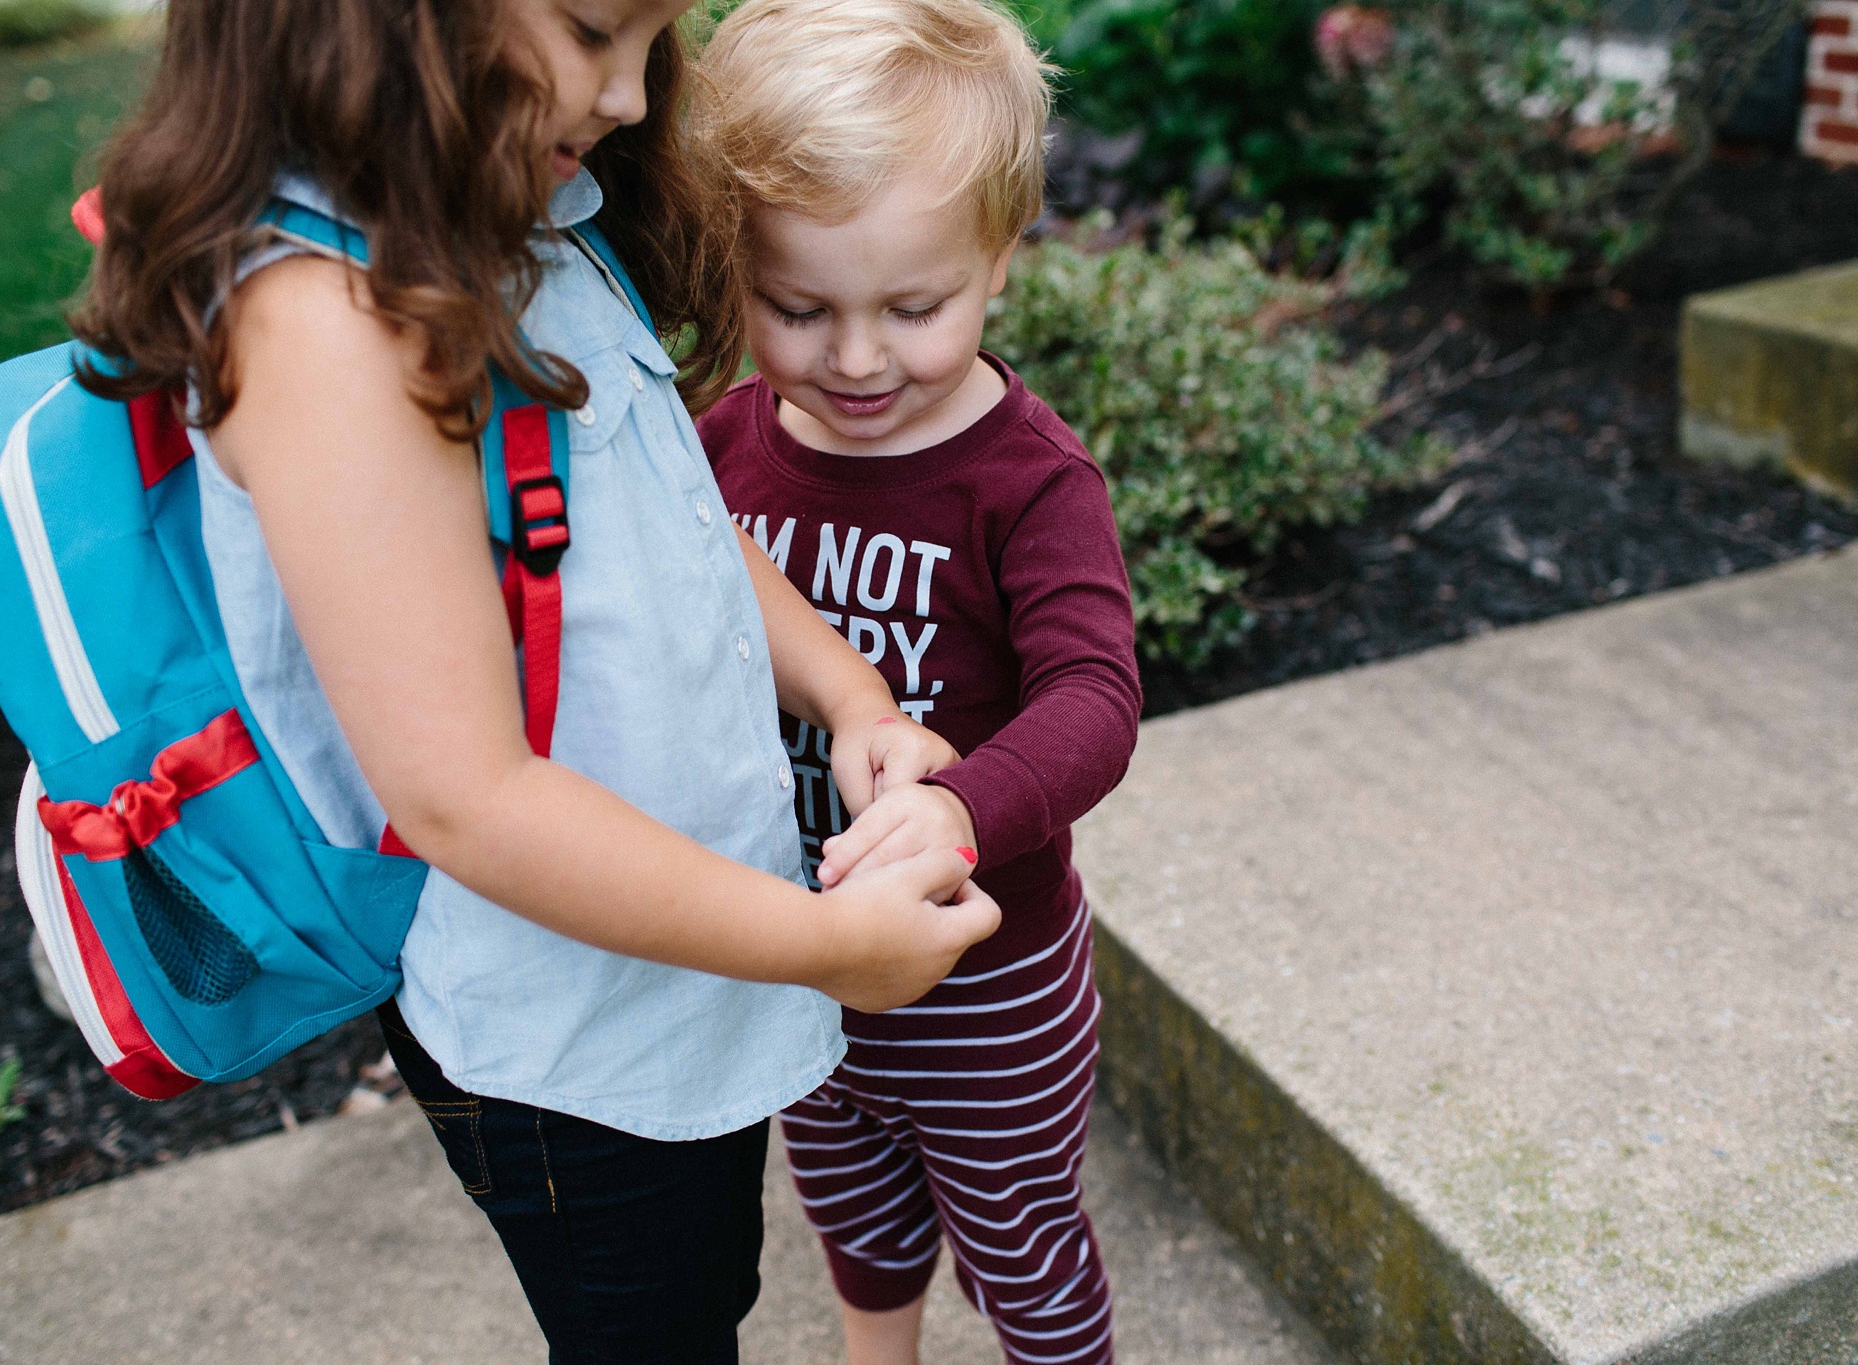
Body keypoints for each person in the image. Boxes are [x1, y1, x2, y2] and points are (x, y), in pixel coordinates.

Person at [68, 1, 1002, 1360]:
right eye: (591, 28)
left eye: (653, 40)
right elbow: (465, 797)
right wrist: (826, 950)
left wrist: (851, 693)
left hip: (675, 963)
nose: (628, 96)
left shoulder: (517, 212)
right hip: (572, 1028)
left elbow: (666, 524)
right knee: (652, 1326)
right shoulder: (330, 323)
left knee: (699, 1295)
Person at [692, 2, 1142, 1360]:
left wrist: (964, 808)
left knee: (1026, 1253)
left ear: (999, 259)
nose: (858, 357)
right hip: (800, 956)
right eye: (798, 306)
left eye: (914, 305)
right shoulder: (723, 443)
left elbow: (1093, 700)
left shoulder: (1028, 481)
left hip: (987, 978)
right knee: (854, 1223)